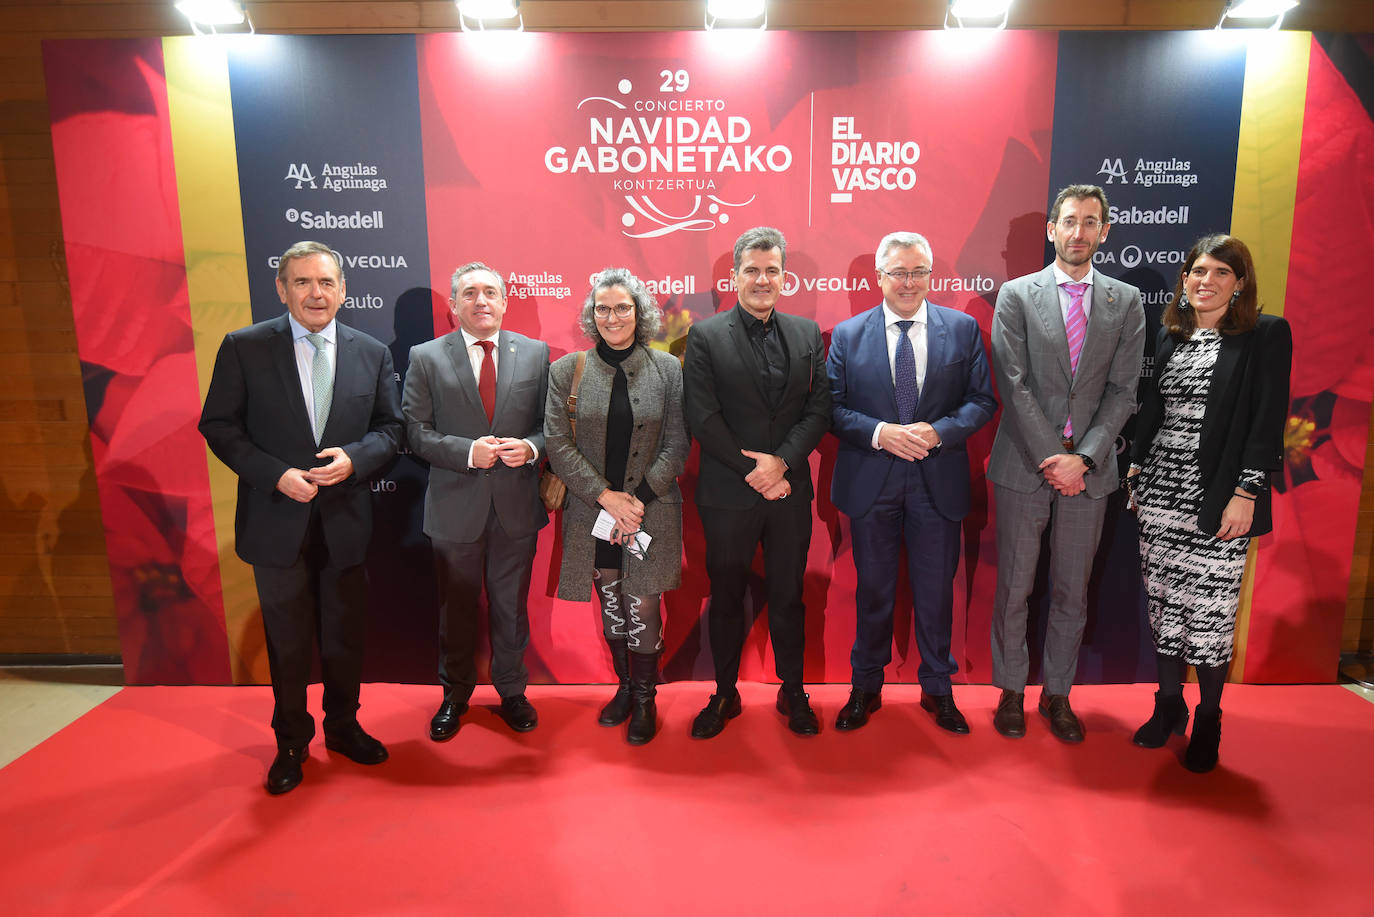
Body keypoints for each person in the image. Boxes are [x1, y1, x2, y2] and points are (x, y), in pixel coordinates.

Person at [199, 241, 402, 795]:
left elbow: (392, 429)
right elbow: (218, 425)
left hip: (345, 523)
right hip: (275, 521)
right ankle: (291, 742)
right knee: (287, 644)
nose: (317, 293)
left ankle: (342, 727)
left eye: (327, 282)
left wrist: (355, 459)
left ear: (344, 289)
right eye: (304, 282)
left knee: (344, 637)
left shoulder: (371, 352)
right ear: (282, 288)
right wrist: (273, 474)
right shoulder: (244, 347)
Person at [987, 184, 1146, 743]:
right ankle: (1009, 690)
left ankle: (1058, 695)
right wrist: (1054, 457)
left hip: (1090, 474)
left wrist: (1084, 458)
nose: (1078, 232)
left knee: (1071, 592)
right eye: (1069, 221)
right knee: (1014, 588)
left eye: (1090, 222)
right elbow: (1013, 381)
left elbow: (1124, 392)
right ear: (1051, 229)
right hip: (1023, 467)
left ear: (1105, 232)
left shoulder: (1125, 301)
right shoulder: (1015, 294)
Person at [1128, 234, 1291, 773]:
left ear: (1239, 282)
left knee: (1211, 617)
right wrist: (1135, 469)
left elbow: (1267, 422)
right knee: (1166, 607)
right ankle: (1168, 704)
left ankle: (1209, 717)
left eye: (1221, 272)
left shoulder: (1265, 335)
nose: (1206, 280)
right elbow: (1153, 407)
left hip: (1221, 499)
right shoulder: (1170, 334)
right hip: (1160, 495)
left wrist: (1246, 493)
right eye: (1198, 270)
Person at [827, 232, 997, 733]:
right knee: (873, 591)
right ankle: (865, 688)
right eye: (898, 272)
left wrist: (938, 432)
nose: (908, 282)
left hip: (935, 481)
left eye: (918, 271)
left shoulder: (962, 330)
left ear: (931, 275)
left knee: (935, 592)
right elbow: (832, 409)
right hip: (871, 480)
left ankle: (938, 690)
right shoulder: (847, 334)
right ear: (878, 277)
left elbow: (982, 400)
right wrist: (881, 433)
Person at [682, 226, 832, 738]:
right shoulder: (704, 336)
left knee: (789, 594)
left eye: (771, 271)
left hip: (788, 491)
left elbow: (819, 409)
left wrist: (782, 464)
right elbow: (702, 416)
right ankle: (724, 694)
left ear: (784, 278)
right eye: (752, 270)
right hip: (728, 492)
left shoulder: (808, 334)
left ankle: (794, 691)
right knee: (725, 595)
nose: (762, 280)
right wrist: (755, 471)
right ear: (734, 277)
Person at [402, 262, 550, 740]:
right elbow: (414, 432)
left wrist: (530, 449)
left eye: (490, 292)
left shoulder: (535, 353)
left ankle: (511, 691)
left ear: (505, 302)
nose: (481, 301)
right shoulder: (425, 357)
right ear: (454, 306)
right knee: (457, 609)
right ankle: (455, 695)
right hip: (453, 509)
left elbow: (554, 429)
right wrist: (467, 452)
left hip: (515, 507)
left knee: (511, 608)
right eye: (470, 293)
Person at [545, 268, 689, 745]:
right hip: (593, 513)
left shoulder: (667, 369)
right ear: (592, 315)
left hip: (652, 512)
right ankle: (625, 687)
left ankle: (645, 696)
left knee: (643, 602)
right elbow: (557, 443)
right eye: (602, 308)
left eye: (622, 307)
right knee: (612, 602)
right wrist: (607, 497)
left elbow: (677, 443)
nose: (612, 317)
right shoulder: (568, 370)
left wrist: (636, 502)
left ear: (638, 312)